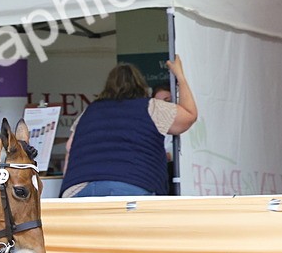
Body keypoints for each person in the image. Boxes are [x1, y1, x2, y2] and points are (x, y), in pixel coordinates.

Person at [61, 55, 197, 197]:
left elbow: (70, 148)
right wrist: (180, 76)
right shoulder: (151, 107)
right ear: (140, 84)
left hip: (79, 188)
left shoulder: (89, 112)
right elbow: (189, 115)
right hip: (132, 184)